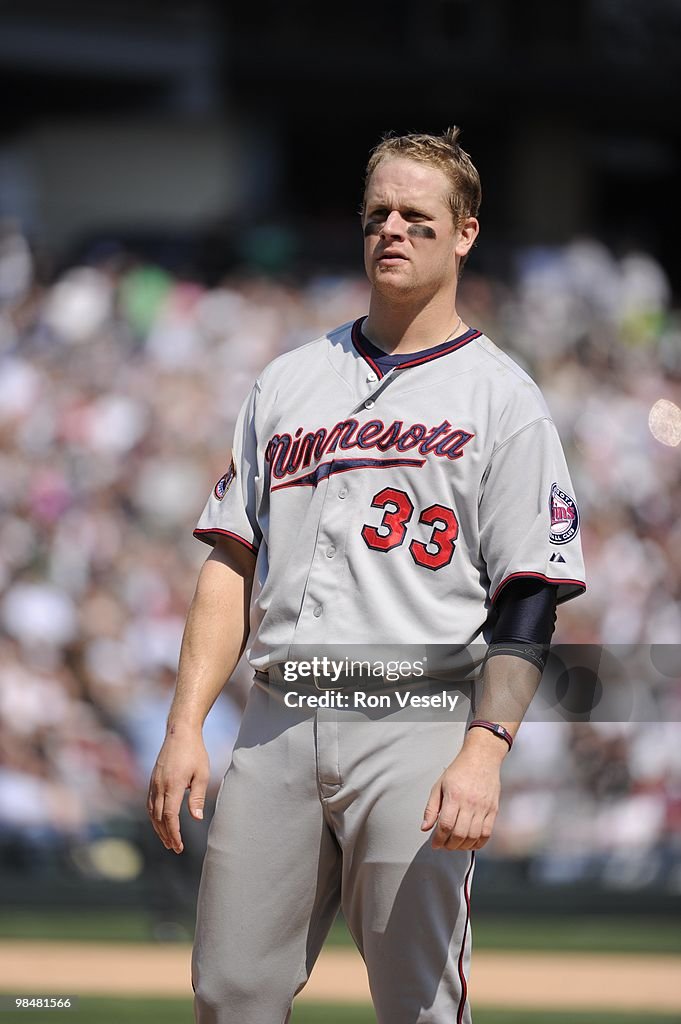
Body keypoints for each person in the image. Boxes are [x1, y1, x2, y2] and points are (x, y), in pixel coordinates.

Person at [148, 127, 586, 1023]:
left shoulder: (502, 398)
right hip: (279, 718)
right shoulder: (290, 380)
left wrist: (484, 751)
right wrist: (185, 724)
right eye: (376, 213)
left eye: (417, 217)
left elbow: (529, 594)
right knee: (228, 991)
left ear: (464, 233)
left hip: (416, 716)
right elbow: (230, 560)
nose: (391, 229)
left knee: (417, 1003)